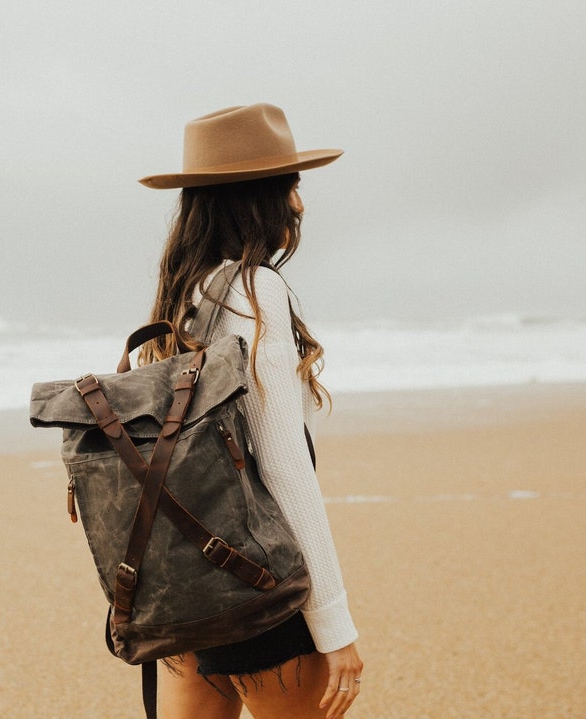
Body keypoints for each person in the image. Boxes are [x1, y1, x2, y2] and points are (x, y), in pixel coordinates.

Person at [136, 104, 364, 719]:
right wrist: (334, 622)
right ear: (257, 197)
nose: (299, 204)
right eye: (290, 186)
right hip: (259, 586)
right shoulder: (254, 289)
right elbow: (283, 465)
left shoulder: (181, 294)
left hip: (186, 585)